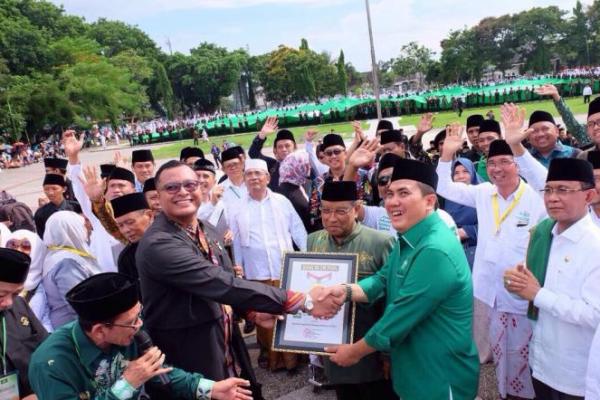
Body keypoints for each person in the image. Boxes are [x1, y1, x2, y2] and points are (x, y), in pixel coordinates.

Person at [136, 160, 344, 383]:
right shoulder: (158, 244)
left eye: (190, 185)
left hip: (225, 342)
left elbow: (227, 279)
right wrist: (300, 300)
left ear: (200, 188)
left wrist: (251, 312)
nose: (183, 192)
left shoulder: (207, 229)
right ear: (157, 196)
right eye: (172, 187)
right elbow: (217, 282)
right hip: (191, 354)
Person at [322, 158, 480, 400]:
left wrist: (354, 352)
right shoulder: (409, 236)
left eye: (404, 193)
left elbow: (399, 317)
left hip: (440, 376)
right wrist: (346, 291)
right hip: (413, 371)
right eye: (390, 194)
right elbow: (382, 280)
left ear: (429, 201)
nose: (392, 201)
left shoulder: (434, 249)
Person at [437, 128, 546, 400]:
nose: (497, 169)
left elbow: (545, 181)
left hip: (524, 295)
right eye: (492, 163)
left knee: (530, 357)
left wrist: (517, 145)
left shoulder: (536, 196)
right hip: (491, 292)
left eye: (504, 162)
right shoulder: (484, 192)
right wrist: (446, 155)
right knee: (501, 356)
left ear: (517, 164)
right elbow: (445, 188)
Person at [28, 272, 253, 400]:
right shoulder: (50, 364)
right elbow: (134, 378)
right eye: (132, 321)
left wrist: (210, 389)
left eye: (139, 315)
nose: (140, 325)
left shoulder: (126, 333)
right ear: (99, 330)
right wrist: (126, 384)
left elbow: (161, 372)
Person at [503, 157, 600, 400]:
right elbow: (530, 283)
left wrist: (538, 294)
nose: (552, 197)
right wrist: (517, 282)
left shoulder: (595, 246)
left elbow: (594, 316)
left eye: (563, 190)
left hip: (576, 374)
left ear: (588, 196)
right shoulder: (545, 234)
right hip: (541, 363)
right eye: (548, 189)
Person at [308, 181, 397, 400]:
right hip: (333, 349)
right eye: (326, 211)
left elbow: (392, 300)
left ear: (356, 209)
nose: (331, 218)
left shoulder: (381, 242)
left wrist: (387, 354)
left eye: (340, 211)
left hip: (370, 351)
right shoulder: (314, 241)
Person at [230, 158, 307, 372]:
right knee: (264, 316)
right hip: (256, 271)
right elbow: (236, 241)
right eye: (249, 174)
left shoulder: (281, 201)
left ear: (267, 178)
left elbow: (297, 230)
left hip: (284, 267)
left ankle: (294, 359)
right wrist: (239, 268)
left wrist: (309, 257)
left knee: (289, 312)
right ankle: (272, 359)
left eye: (258, 173)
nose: (254, 177)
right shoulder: (237, 208)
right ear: (244, 179)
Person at [0, 248, 48, 400]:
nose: (8, 302)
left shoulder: (19, 305)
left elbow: (47, 347)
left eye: (15, 293)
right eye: (1, 294)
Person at [42, 211, 102, 328]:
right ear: (72, 229)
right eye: (83, 226)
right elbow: (79, 306)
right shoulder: (67, 262)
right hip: (79, 330)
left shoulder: (56, 256)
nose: (88, 229)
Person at [5, 230, 52, 331]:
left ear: (37, 250)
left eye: (26, 246)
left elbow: (47, 321)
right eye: (12, 244)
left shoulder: (43, 284)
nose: (18, 250)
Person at [443, 158, 478, 268]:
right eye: (456, 173)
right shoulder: (447, 197)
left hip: (475, 250)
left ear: (472, 173)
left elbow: (493, 223)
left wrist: (466, 231)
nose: (461, 176)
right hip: (451, 249)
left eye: (465, 171)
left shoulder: (483, 194)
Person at [111, 193, 154, 284]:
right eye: (120, 226)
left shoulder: (176, 239)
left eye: (130, 222)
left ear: (149, 216)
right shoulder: (126, 258)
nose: (126, 230)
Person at [248, 116, 296, 192]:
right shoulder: (271, 165)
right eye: (280, 147)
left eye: (287, 146)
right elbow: (253, 153)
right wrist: (262, 135)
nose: (284, 149)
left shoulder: (303, 166)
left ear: (294, 147)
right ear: (275, 150)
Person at [278, 150, 312, 231]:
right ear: (298, 167)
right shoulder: (288, 193)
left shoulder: (302, 183)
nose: (310, 167)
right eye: (307, 164)